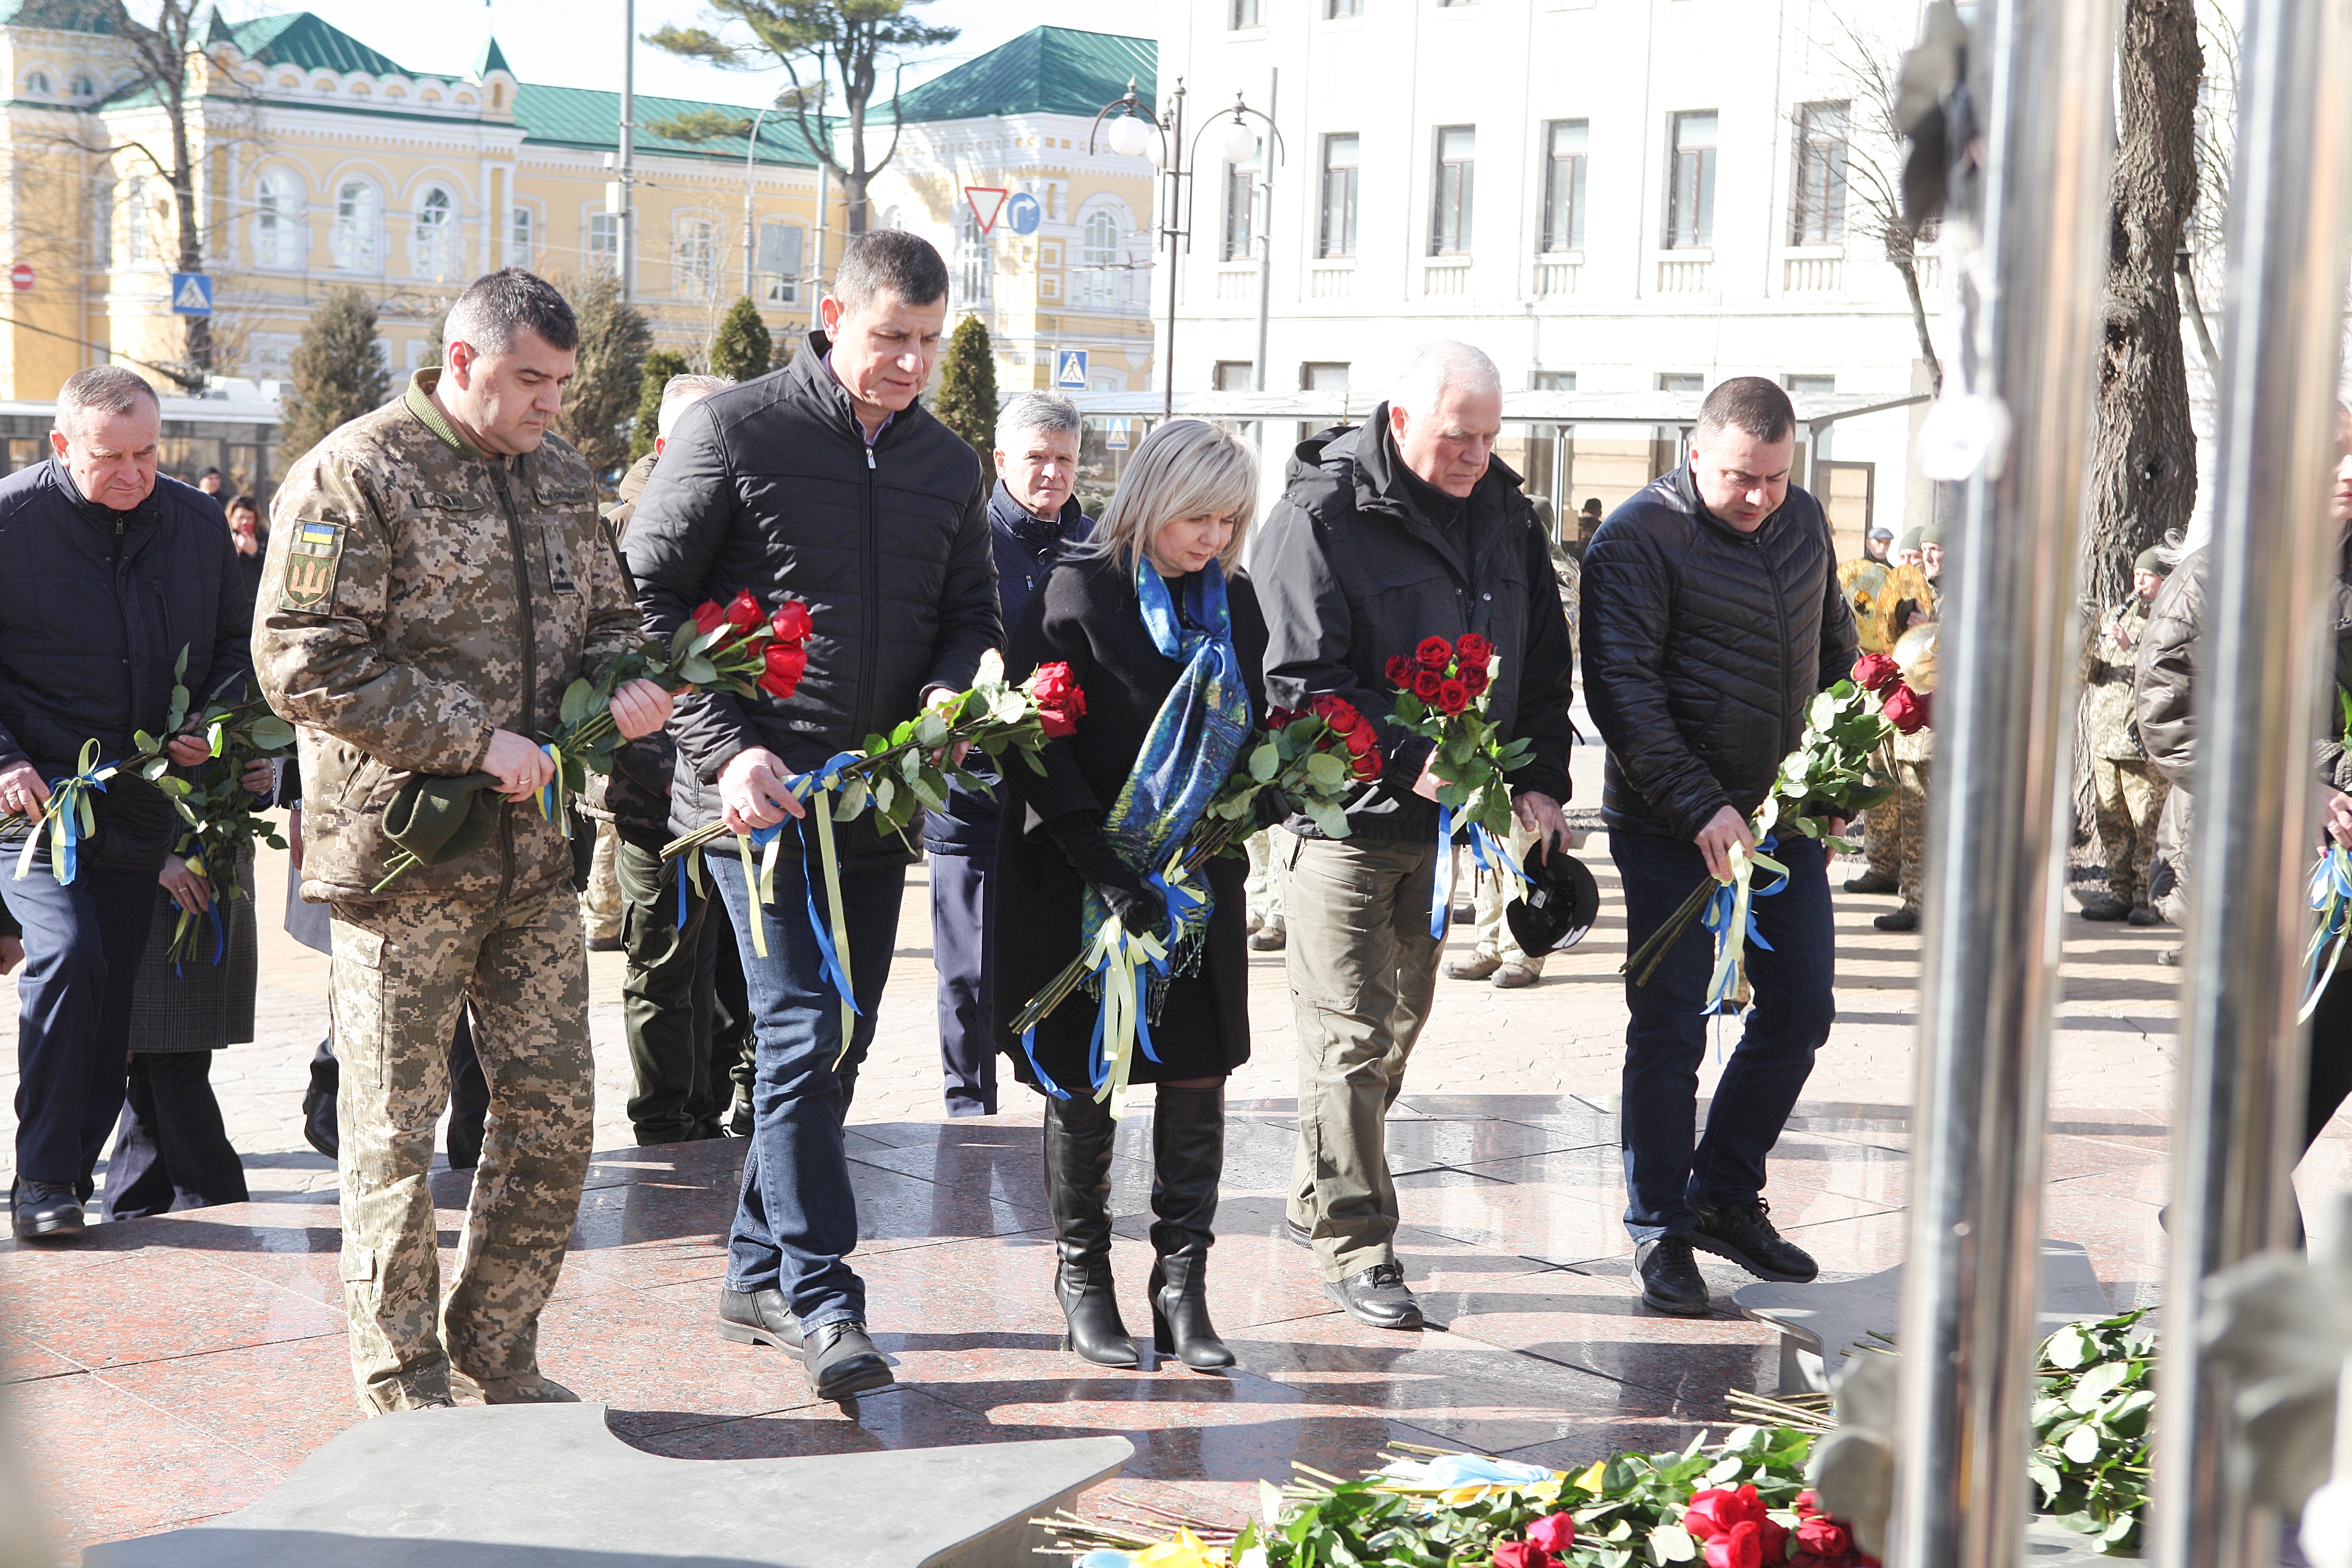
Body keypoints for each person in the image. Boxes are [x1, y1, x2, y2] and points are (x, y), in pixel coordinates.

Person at [254, 268, 672, 1415]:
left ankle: (498, 1343)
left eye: (561, 383)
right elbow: (300, 657)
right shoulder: (357, 471)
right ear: (462, 356)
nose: (550, 403)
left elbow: (613, 623)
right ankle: (402, 1378)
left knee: (553, 1115)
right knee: (392, 1131)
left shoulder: (562, 478)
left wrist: (625, 688)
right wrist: (472, 737)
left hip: (534, 860)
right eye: (531, 380)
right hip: (403, 864)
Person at [623, 229, 1000, 1404]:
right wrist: (724, 747)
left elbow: (971, 610)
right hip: (754, 800)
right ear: (833, 313)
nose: (909, 365)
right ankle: (823, 1292)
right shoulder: (735, 429)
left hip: (875, 800)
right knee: (795, 1028)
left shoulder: (946, 462)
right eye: (891, 337)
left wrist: (952, 686)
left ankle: (753, 1269)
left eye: (930, 345)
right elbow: (642, 600)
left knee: (838, 1035)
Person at [1255, 341, 1577, 1330]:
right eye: (1458, 435)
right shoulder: (1319, 517)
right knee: (1348, 1035)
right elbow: (1295, 682)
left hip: (1446, 835)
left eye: (1490, 435)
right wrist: (1402, 758)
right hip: (1343, 825)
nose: (1478, 454)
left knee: (1395, 1032)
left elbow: (1539, 658)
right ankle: (1359, 1243)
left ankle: (1320, 1193)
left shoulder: (1507, 518)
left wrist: (1541, 781)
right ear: (1399, 420)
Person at [993, 419, 1268, 1370]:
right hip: (1081, 878)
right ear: (1151, 500)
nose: (1215, 540)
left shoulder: (1234, 603)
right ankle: (1084, 1281)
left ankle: (1181, 1285)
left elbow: (1256, 729)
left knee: (1197, 1074)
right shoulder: (1078, 590)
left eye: (1230, 521)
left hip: (1192, 886)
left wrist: (1266, 793)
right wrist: (1094, 852)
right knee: (1088, 1079)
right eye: (1198, 517)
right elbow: (1028, 734)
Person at [1581, 375, 1857, 1317]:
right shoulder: (1635, 541)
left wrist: (1836, 770)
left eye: (1778, 478)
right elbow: (1623, 694)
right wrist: (1700, 805)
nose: (1761, 497)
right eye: (1743, 477)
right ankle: (1659, 1227)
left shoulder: (1804, 520)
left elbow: (1835, 655)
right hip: (1671, 829)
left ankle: (1723, 1195)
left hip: (1783, 822)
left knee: (1801, 1007)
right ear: (1696, 452)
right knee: (1671, 1027)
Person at [0, 366, 252, 1243]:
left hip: (142, 803)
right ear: (62, 446)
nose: (135, 473)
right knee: (66, 957)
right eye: (113, 457)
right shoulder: (10, 521)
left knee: (110, 993)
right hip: (27, 808)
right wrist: (5, 761)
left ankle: (62, 1178)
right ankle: (41, 1180)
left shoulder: (192, 521)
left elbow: (236, 642)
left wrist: (209, 725)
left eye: (149, 452)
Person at [2136, 408, 2352, 1231]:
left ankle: (2215, 1199)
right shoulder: (2214, 578)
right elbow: (2169, 722)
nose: (2346, 471)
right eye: (2328, 457)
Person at [921, 392, 1094, 1119]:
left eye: (1064, 459)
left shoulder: (1098, 545)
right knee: (968, 970)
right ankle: (969, 1109)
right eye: (1036, 457)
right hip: (975, 790)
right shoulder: (968, 542)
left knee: (1057, 957)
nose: (1051, 472)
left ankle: (1062, 1098)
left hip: (1064, 796)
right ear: (1001, 460)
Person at [591, 371, 742, 1144]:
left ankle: (725, 1102)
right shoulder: (620, 532)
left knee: (737, 972)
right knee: (663, 966)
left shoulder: (745, 516)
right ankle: (665, 1119)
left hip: (733, 793)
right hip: (651, 794)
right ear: (661, 443)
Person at [105, 765, 276, 1220]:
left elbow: (269, 744)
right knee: (170, 1056)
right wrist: (152, 857)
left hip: (216, 867)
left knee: (157, 1060)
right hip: (140, 876)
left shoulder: (233, 690)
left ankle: (132, 1210)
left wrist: (266, 778)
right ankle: (220, 1208)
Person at [2080, 547, 2170, 924]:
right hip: (2106, 739)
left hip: (2140, 744)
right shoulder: (2121, 614)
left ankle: (2144, 898)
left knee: (2145, 821)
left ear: (2164, 579)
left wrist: (2129, 646)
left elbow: (2167, 672)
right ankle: (2119, 893)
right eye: (2136, 576)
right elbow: (2094, 673)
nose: (2140, 583)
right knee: (2112, 820)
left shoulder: (2169, 618)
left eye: (2147, 576)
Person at [1870, 520, 1942, 932]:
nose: (1928, 556)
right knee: (1914, 820)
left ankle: (1929, 906)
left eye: (1936, 550)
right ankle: (1916, 901)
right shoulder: (1916, 595)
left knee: (1932, 824)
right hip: (1911, 732)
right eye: (1925, 549)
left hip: (1941, 734)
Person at [227, 492, 267, 604]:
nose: (245, 522)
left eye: (249, 518)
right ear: (232, 518)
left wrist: (256, 553)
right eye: (241, 518)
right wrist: (233, 555)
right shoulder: (224, 539)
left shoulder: (264, 539)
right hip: (231, 601)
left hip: (257, 601)